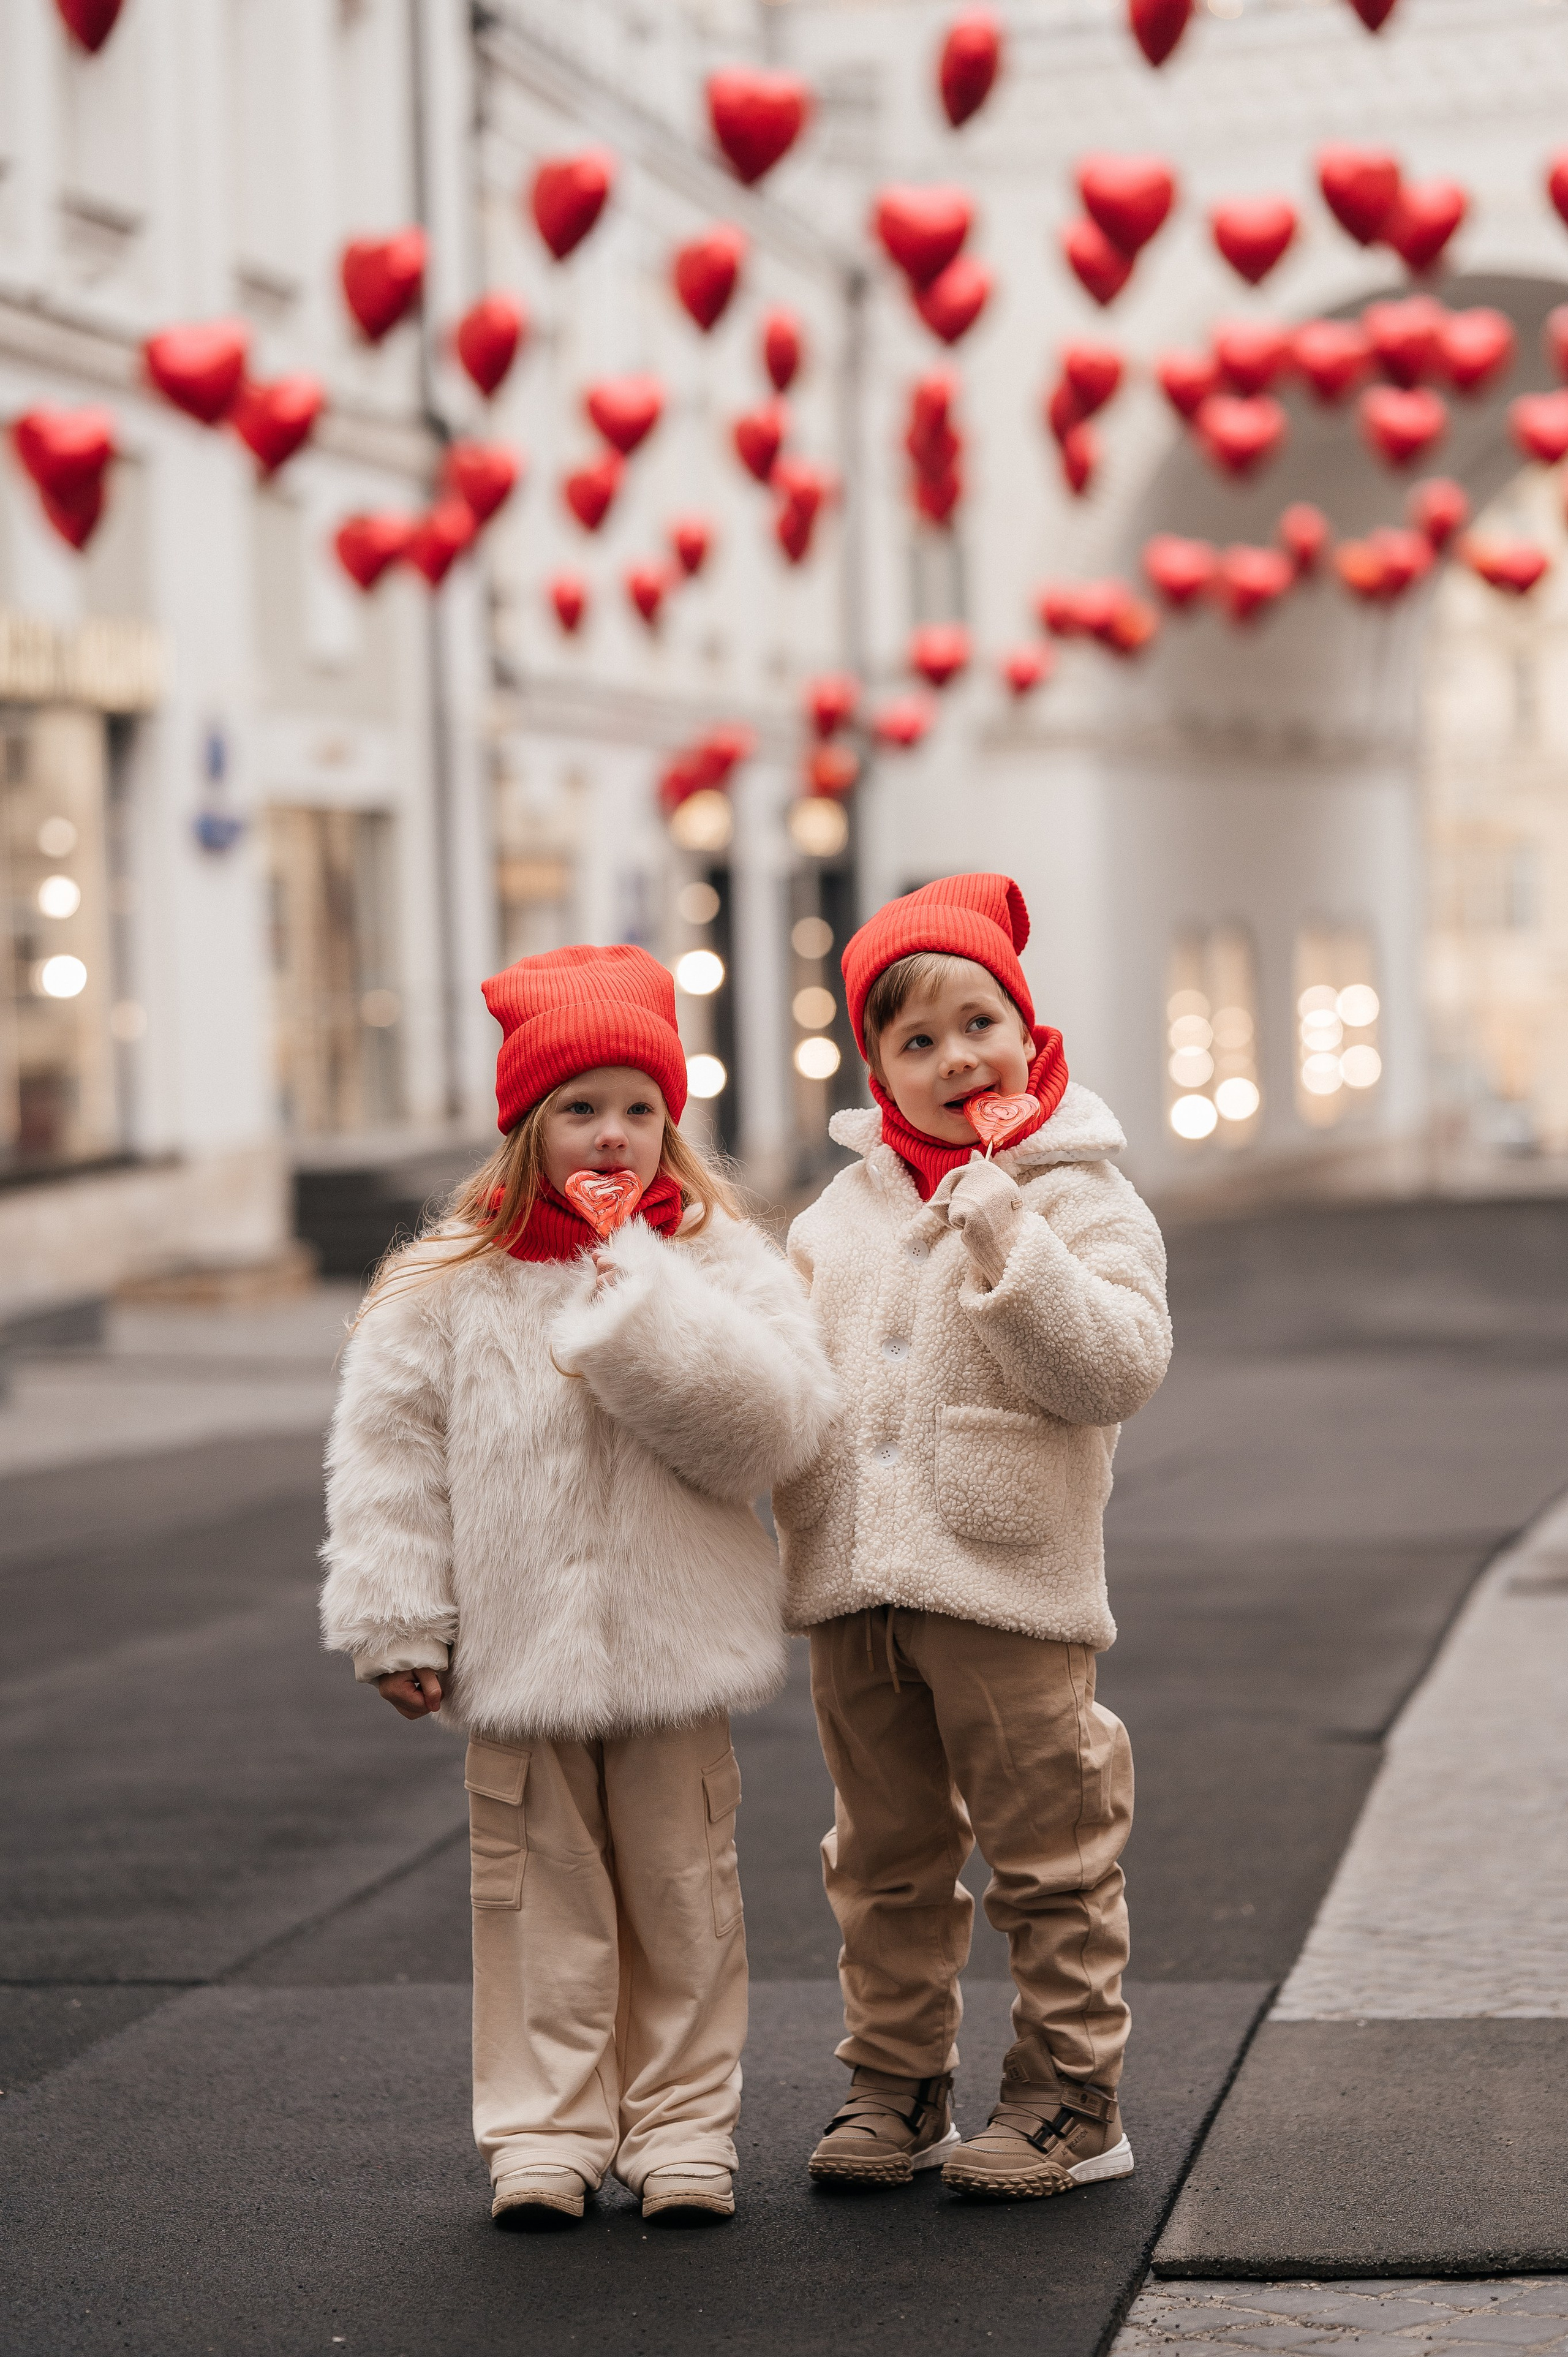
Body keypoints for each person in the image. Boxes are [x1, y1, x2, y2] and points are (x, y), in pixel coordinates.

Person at [320, 943, 838, 2228]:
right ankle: (543, 2135)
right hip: (515, 1652)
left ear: (672, 1123)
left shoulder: (719, 1258)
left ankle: (680, 2130)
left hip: (676, 1648)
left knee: (682, 1892)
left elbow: (773, 1430)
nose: (610, 1137)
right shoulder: (443, 1282)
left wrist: (644, 1302)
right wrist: (397, 1615)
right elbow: (388, 1459)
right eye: (577, 1109)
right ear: (523, 1127)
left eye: (638, 1110)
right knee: (533, 1897)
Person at [774, 873, 1171, 2200]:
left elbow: (1113, 1366)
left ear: (1026, 1025)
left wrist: (1009, 1229)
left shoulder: (1081, 1194)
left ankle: (1069, 2097)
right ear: (876, 1064)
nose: (957, 1059)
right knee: (879, 1859)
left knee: (1049, 1850)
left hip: (1005, 1581)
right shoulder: (837, 1212)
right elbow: (788, 1377)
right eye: (917, 1040)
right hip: (852, 1584)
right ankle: (895, 2084)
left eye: (978, 1022)